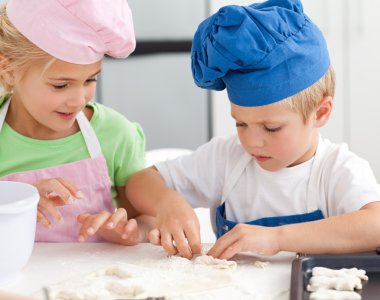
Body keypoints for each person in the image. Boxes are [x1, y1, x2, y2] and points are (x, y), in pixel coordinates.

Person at [126, 0, 380, 259]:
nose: (252, 141)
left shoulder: (336, 170)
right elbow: (139, 182)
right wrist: (166, 202)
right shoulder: (226, 160)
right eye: (241, 123)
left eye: (271, 128)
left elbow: (376, 225)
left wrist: (278, 238)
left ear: (320, 113)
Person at [0, 0, 153, 244]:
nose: (78, 100)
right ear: (8, 70)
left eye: (90, 80)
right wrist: (15, 200)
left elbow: (148, 220)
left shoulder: (115, 134)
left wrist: (133, 232)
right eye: (60, 85)